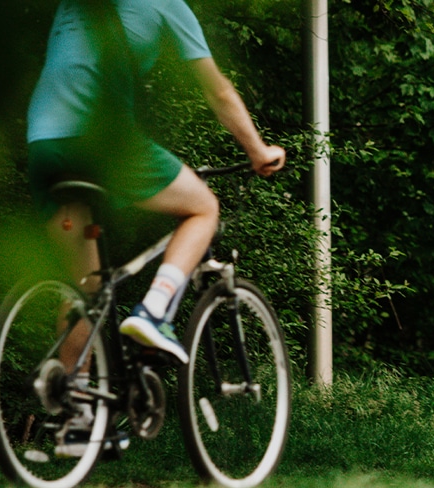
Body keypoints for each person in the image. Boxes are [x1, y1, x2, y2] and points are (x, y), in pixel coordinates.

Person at [25, 0, 284, 455]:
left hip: (44, 143)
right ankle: (153, 312)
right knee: (203, 207)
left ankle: (79, 418)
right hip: (103, 141)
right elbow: (218, 91)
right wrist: (257, 151)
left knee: (85, 288)